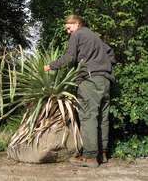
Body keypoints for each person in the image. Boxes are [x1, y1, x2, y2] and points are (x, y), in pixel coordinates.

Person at [44, 14, 116, 167]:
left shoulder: (78, 35)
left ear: (76, 24)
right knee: (103, 117)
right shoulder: (95, 37)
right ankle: (102, 153)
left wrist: (51, 66)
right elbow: (111, 54)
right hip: (105, 80)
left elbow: (70, 57)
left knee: (88, 116)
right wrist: (104, 67)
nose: (68, 32)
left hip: (89, 81)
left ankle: (89, 157)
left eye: (69, 28)